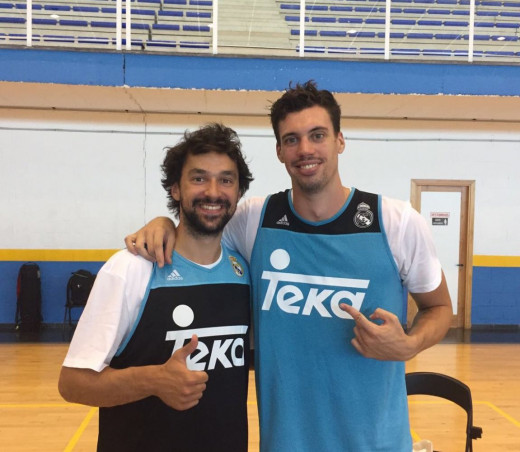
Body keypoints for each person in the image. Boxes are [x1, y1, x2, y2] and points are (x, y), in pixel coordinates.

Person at [125, 82, 453, 451]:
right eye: (292, 139)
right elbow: (202, 221)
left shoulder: (396, 222)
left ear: (340, 140)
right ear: (279, 150)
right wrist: (164, 223)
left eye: (318, 135)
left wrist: (409, 345)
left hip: (377, 443)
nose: (306, 149)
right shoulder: (254, 221)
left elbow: (439, 308)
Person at [59, 123, 254, 452]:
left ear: (237, 192)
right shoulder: (131, 268)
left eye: (226, 179)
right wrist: (152, 381)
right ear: (176, 189)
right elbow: (73, 383)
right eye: (198, 177)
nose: (213, 191)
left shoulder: (242, 270)